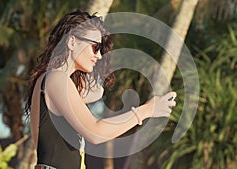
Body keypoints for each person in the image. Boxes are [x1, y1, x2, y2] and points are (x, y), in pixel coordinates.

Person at [24, 10, 177, 169]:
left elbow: (96, 92)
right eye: (95, 47)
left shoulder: (49, 80)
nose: (98, 56)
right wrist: (146, 110)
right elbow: (95, 132)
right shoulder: (57, 79)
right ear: (72, 42)